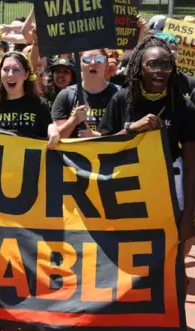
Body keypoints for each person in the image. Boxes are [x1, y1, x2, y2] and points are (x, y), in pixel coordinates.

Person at [98, 35, 195, 259]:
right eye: (152, 64)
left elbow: (191, 165)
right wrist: (132, 129)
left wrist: (189, 216)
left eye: (165, 65)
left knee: (174, 252)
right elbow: (102, 147)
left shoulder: (183, 105)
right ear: (139, 68)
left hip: (171, 181)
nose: (159, 70)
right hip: (129, 182)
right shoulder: (122, 99)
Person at [0, 51, 60, 146]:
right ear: (0, 74)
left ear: (26, 74)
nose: (10, 74)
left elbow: (48, 137)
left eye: (16, 70)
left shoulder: (38, 105)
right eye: (5, 69)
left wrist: (53, 129)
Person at [52, 49, 119, 138]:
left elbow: (128, 134)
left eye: (99, 59)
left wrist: (97, 136)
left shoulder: (119, 94)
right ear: (79, 64)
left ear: (106, 63)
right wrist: (73, 121)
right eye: (87, 59)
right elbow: (56, 139)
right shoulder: (65, 95)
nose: (93, 63)